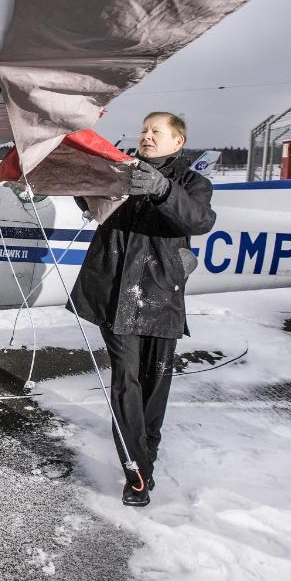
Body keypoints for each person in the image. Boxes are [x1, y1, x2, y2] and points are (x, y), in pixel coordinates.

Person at [69, 111, 216, 507]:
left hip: (161, 295)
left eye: (157, 132)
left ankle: (147, 449)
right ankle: (135, 469)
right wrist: (72, 181)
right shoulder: (119, 170)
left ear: (177, 142)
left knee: (155, 383)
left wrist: (162, 189)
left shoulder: (192, 182)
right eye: (144, 130)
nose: (147, 137)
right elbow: (92, 201)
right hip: (115, 294)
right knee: (125, 381)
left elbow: (200, 219)